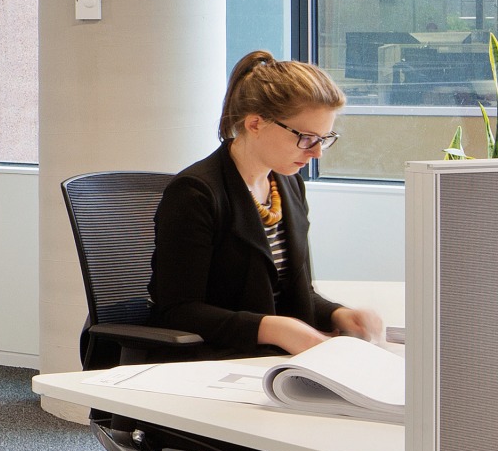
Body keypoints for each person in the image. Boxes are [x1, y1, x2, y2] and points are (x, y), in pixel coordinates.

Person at [148, 51, 387, 356]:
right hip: (211, 360)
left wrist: (337, 314)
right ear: (255, 123)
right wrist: (274, 328)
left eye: (324, 139)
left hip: (269, 359)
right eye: (306, 138)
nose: (317, 153)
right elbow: (178, 311)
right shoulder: (195, 192)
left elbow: (293, 292)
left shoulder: (288, 184)